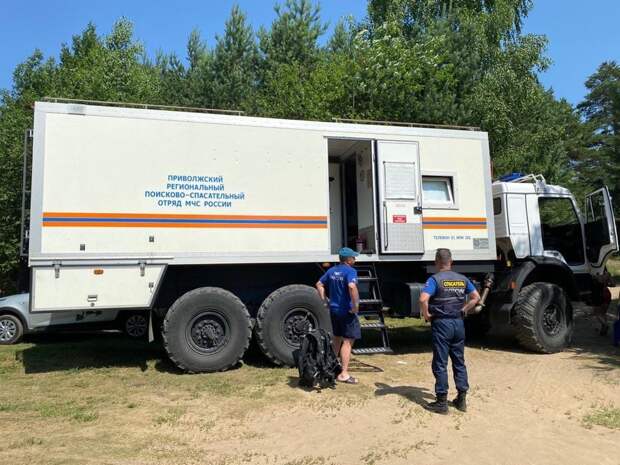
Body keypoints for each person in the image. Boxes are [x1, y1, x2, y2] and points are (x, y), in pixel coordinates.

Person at [419, 248, 480, 414]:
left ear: (436, 262)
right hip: (458, 323)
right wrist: (464, 309)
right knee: (459, 361)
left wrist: (427, 315)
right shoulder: (462, 279)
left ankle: (441, 402)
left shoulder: (434, 279)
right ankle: (461, 399)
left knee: (440, 362)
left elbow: (423, 299)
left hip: (442, 324)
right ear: (451, 262)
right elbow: (476, 297)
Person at [316, 247, 361, 384]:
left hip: (334, 311)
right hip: (346, 312)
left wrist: (325, 301)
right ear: (348, 260)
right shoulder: (350, 271)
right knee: (347, 341)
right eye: (353, 257)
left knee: (336, 338)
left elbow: (319, 284)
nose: (355, 259)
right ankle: (344, 374)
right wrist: (355, 306)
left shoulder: (331, 271)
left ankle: (331, 367)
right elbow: (352, 286)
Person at [591, 270, 614, 336]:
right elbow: (613, 284)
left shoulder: (594, 273)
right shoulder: (607, 273)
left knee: (596, 313)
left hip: (598, 294)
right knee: (603, 313)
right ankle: (603, 330)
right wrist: (607, 284)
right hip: (607, 293)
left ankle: (605, 325)